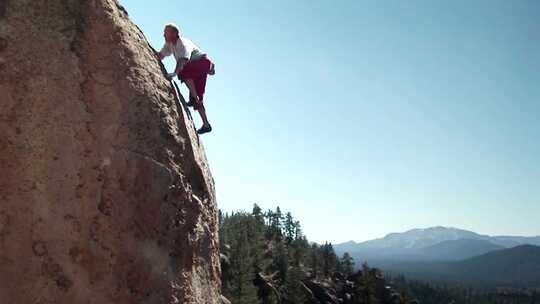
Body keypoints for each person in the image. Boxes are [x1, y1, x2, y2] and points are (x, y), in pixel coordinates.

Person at [156, 23, 215, 134]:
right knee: (198, 99)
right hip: (198, 68)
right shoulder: (169, 44)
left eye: (166, 32)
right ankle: (206, 125)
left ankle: (194, 96)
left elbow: (183, 60)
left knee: (182, 71)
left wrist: (174, 73)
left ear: (175, 34)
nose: (163, 35)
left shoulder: (182, 43)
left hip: (202, 63)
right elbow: (161, 55)